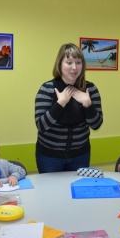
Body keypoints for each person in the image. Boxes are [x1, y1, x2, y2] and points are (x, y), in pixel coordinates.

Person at [34, 43, 103, 173]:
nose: (74, 67)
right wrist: (60, 103)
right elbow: (41, 126)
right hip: (49, 157)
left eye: (78, 62)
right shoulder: (47, 89)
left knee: (76, 191)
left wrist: (87, 104)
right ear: (60, 64)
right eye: (69, 62)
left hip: (80, 155)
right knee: (51, 191)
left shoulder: (90, 89)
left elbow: (96, 125)